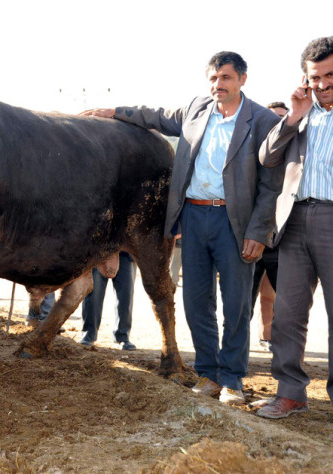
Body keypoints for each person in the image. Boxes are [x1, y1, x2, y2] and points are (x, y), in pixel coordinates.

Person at [82, 51, 281, 405]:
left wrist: (258, 232)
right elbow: (155, 116)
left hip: (235, 224)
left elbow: (270, 184)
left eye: (226, 78)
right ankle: (208, 375)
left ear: (242, 80)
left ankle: (233, 380)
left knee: (235, 305)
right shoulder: (196, 109)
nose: (218, 85)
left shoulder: (262, 120)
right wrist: (114, 112)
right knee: (194, 301)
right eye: (213, 79)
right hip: (193, 216)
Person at [256, 36, 333, 419]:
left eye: (329, 75)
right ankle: (291, 393)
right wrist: (292, 117)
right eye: (315, 78)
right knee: (287, 315)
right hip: (296, 220)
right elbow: (266, 156)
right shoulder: (299, 117)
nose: (322, 85)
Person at [251, 102, 289, 352]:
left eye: (284, 120)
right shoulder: (251, 157)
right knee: (244, 298)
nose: (279, 124)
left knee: (283, 299)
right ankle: (238, 345)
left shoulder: (295, 158)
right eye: (274, 118)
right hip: (252, 238)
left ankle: (275, 341)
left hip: (282, 240)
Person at [79, 252, 137, 350]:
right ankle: (88, 334)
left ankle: (122, 336)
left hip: (126, 253)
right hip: (99, 250)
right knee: (93, 294)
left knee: (126, 296)